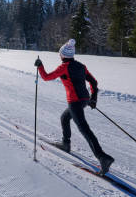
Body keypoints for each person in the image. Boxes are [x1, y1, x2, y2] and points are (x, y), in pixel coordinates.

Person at [34, 39, 114, 175]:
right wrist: (93, 99)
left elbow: (47, 77)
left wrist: (40, 66)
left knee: (84, 129)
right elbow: (93, 82)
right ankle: (66, 144)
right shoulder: (81, 66)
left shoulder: (64, 67)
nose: (59, 56)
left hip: (75, 102)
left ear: (63, 55)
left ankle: (102, 157)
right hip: (84, 100)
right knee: (65, 118)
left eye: (60, 54)